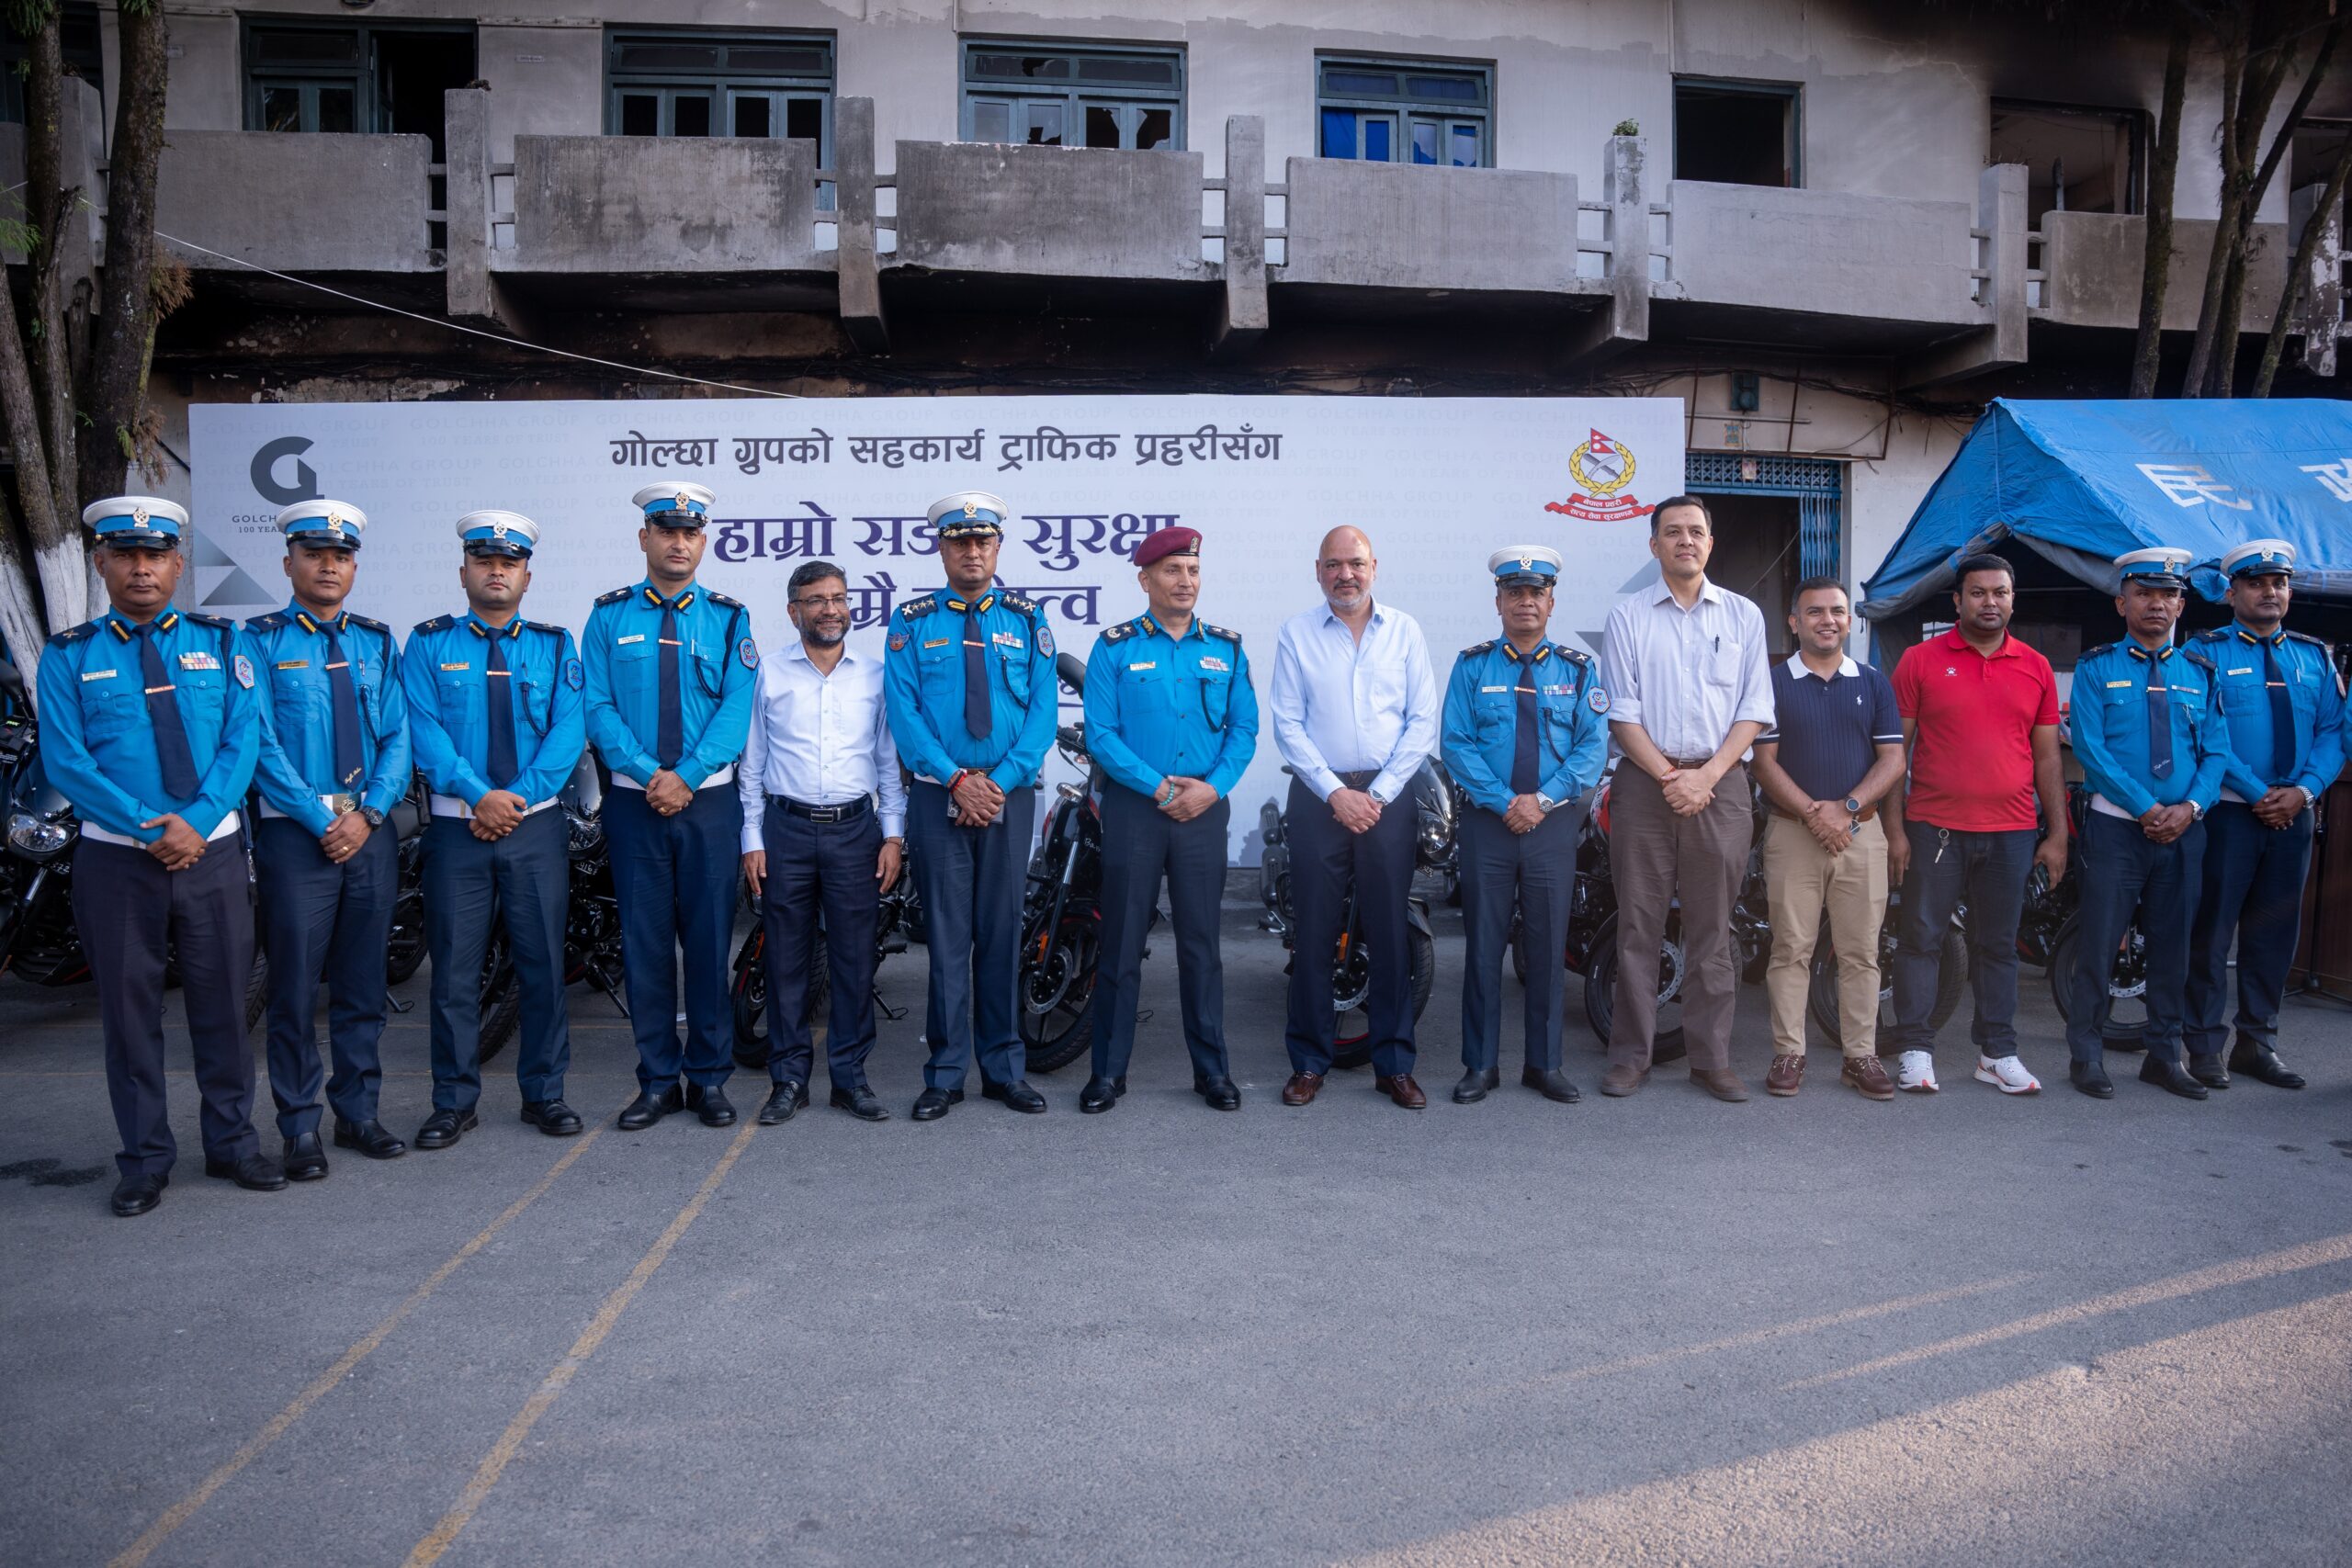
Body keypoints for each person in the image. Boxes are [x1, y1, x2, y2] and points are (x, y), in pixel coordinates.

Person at [34, 497, 279, 1217]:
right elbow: (67, 761)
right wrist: (149, 828)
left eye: (155, 555)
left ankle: (232, 1142)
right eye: (126, 555)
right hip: (117, 863)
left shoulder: (223, 643)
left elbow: (242, 742)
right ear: (101, 563)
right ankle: (143, 1159)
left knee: (223, 1007)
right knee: (129, 1014)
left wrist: (195, 823)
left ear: (178, 563)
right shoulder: (69, 655)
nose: (141, 568)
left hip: (213, 853)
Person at [402, 511, 588, 1147]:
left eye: (509, 563)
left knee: (543, 967)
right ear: (464, 573)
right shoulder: (428, 644)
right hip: (458, 832)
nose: (497, 571)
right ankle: (453, 1102)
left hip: (533, 829)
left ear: (527, 577)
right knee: (455, 974)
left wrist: (514, 799)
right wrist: (479, 796)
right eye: (484, 562)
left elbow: (567, 733)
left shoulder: (555, 646)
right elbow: (423, 730)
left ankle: (545, 1093)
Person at [244, 500, 413, 1177]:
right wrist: (323, 821)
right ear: (288, 563)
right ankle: (298, 1127)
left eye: (340, 556)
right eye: (313, 555)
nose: (327, 566)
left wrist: (369, 814)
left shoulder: (376, 642)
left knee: (363, 984)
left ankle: (358, 1113)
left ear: (354, 567)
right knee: (292, 990)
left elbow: (398, 736)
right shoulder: (257, 642)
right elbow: (258, 744)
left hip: (369, 833)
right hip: (297, 837)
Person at [583, 484, 757, 1132]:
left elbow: (736, 709)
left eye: (689, 533)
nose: (678, 543)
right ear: (644, 538)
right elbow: (596, 706)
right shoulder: (608, 616)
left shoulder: (729, 618)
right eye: (666, 531)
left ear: (703, 542)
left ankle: (708, 1079)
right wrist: (645, 773)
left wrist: (685, 775)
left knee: (709, 944)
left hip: (707, 806)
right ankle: (657, 1081)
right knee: (645, 945)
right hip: (635, 807)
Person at [882, 491, 1058, 1121]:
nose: (972, 551)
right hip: (940, 797)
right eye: (960, 541)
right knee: (948, 939)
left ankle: (1004, 1069)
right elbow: (905, 716)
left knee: (1003, 936)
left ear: (998, 547)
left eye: (983, 540)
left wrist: (997, 783)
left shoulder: (1028, 620)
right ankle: (946, 1072)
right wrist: (958, 780)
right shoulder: (911, 622)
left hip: (1009, 797)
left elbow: (1042, 714)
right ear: (942, 548)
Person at [1595, 495, 1774, 1102]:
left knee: (1712, 929)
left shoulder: (1744, 616)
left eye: (1696, 531)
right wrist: (1673, 777)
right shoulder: (1628, 617)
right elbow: (1622, 713)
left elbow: (1755, 708)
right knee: (1638, 927)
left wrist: (1709, 776)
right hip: (1645, 784)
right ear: (1654, 545)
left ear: (1710, 543)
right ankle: (1630, 1056)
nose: (1685, 541)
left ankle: (1711, 1059)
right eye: (1672, 532)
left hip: (1721, 786)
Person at [1078, 525, 1259, 1114]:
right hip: (1137, 810)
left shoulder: (1226, 648)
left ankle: (1213, 1072)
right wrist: (1158, 787)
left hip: (1203, 809)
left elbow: (1243, 730)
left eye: (1193, 571)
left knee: (1201, 947)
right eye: (1173, 571)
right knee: (1121, 945)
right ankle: (1108, 1073)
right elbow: (1102, 735)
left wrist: (1213, 788)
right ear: (1145, 579)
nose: (1186, 581)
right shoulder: (1115, 647)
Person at [1268, 525, 1440, 1109]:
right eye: (1334, 565)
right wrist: (1336, 793)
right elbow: (1288, 725)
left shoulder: (1405, 631)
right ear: (1318, 571)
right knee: (1314, 934)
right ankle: (1308, 1062)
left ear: (1374, 567)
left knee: (1390, 933)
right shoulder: (1296, 633)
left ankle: (1394, 1065)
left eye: (1356, 563)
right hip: (1320, 799)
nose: (1346, 575)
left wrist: (1380, 793)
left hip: (1388, 799)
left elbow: (1421, 722)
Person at [1884, 553, 2067, 1096]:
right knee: (1921, 939)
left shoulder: (2035, 666)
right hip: (1934, 828)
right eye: (1979, 592)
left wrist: (2057, 834)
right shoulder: (1919, 660)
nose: (1990, 602)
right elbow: (1895, 753)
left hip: (2012, 831)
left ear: (2013, 599)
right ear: (1958, 600)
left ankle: (1997, 1053)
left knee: (1999, 946)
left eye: (2000, 592)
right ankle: (1915, 1049)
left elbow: (2048, 759)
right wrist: (1894, 830)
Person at [1439, 546, 1609, 1106]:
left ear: (1551, 603)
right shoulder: (1472, 667)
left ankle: (1544, 1064)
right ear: (1499, 602)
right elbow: (1456, 744)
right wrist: (1506, 801)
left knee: (1547, 948)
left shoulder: (1578, 670)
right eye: (1515, 592)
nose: (1526, 602)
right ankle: (1480, 1065)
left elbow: (1591, 749)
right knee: (1484, 949)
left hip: (1552, 826)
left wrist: (1541, 800)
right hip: (1488, 826)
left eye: (1536, 593)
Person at [739, 559, 906, 1125]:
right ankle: (788, 1080)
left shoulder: (875, 675)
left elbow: (888, 764)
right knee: (786, 960)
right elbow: (751, 764)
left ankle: (850, 1079)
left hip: (856, 832)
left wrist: (892, 835)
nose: (830, 610)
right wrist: (752, 838)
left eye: (838, 598)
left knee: (853, 960)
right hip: (785, 829)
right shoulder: (768, 673)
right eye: (816, 600)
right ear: (794, 612)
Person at [2064, 547, 2229, 1101]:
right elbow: (2090, 749)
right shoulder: (2096, 668)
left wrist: (2191, 809)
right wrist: (2145, 807)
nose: (2156, 604)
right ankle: (2086, 1055)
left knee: (2173, 948)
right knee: (2098, 946)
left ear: (2181, 605)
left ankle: (2163, 1056)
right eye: (2144, 594)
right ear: (2122, 603)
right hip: (2116, 830)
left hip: (2184, 831)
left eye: (2168, 595)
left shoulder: (2200, 673)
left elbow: (2216, 753)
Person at [2186, 539, 2346, 1091]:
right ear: (2232, 593)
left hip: (2294, 814)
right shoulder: (2203, 653)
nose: (2270, 592)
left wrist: (2304, 790)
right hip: (2230, 814)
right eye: (2256, 583)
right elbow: (2205, 734)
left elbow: (2333, 732)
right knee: (2211, 933)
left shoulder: (2314, 656)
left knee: (2274, 935)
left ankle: (2257, 1043)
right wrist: (2259, 793)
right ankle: (2203, 1045)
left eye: (2279, 583)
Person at [1748, 578, 1905, 1100]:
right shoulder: (1772, 682)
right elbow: (1763, 764)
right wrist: (1816, 815)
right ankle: (1788, 1053)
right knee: (1790, 948)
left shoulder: (1874, 682)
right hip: (1793, 833)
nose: (1827, 620)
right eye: (1814, 612)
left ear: (1849, 620)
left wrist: (1847, 809)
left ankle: (1860, 1057)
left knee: (1861, 952)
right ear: (1795, 622)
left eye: (1837, 611)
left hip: (1861, 833)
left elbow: (1893, 760)